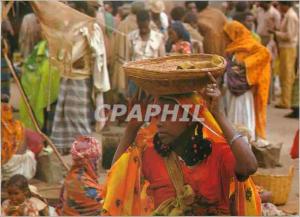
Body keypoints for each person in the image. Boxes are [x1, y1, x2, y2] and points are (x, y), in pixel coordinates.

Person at [102, 80, 260, 215]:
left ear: (190, 119)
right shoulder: (151, 155)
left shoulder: (217, 154)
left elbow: (249, 166)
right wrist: (132, 127)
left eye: (168, 116)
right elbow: (117, 178)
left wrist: (219, 115)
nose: (160, 123)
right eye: (157, 116)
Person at [32, 1, 110, 154]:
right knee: (64, 116)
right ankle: (70, 152)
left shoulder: (91, 27)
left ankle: (84, 156)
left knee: (78, 120)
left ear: (81, 10)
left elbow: (98, 58)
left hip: (80, 81)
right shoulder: (70, 26)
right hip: (66, 78)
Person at [224, 21, 271, 140]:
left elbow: (265, 54)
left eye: (228, 35)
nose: (226, 37)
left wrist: (244, 64)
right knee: (233, 117)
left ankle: (244, 144)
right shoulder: (234, 47)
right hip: (233, 91)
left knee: (243, 117)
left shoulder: (251, 45)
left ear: (235, 34)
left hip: (244, 92)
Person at [19, 40, 60, 135]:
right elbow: (28, 66)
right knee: (44, 113)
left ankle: (47, 134)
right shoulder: (40, 46)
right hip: (40, 88)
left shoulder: (61, 47)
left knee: (51, 113)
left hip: (54, 89)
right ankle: (42, 133)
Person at [56, 136, 103, 216]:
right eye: (97, 159)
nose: (98, 164)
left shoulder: (71, 177)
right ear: (90, 161)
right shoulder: (88, 188)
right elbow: (107, 206)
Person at [127, 10, 165, 97]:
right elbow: (128, 60)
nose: (143, 29)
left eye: (145, 25)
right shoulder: (131, 37)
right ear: (137, 23)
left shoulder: (158, 37)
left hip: (153, 79)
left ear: (149, 22)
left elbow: (163, 60)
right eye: (140, 26)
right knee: (135, 106)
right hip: (135, 79)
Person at [272, 1, 299, 109]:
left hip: (288, 47)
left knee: (287, 75)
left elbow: (290, 36)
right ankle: (285, 99)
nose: (278, 7)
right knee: (284, 74)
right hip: (285, 48)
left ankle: (286, 101)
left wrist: (276, 33)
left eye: (280, 5)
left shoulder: (291, 16)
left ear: (285, 5)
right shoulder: (288, 15)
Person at [1, 104, 37, 182]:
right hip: (19, 166)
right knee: (29, 155)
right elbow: (22, 150)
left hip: (6, 164)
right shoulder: (20, 126)